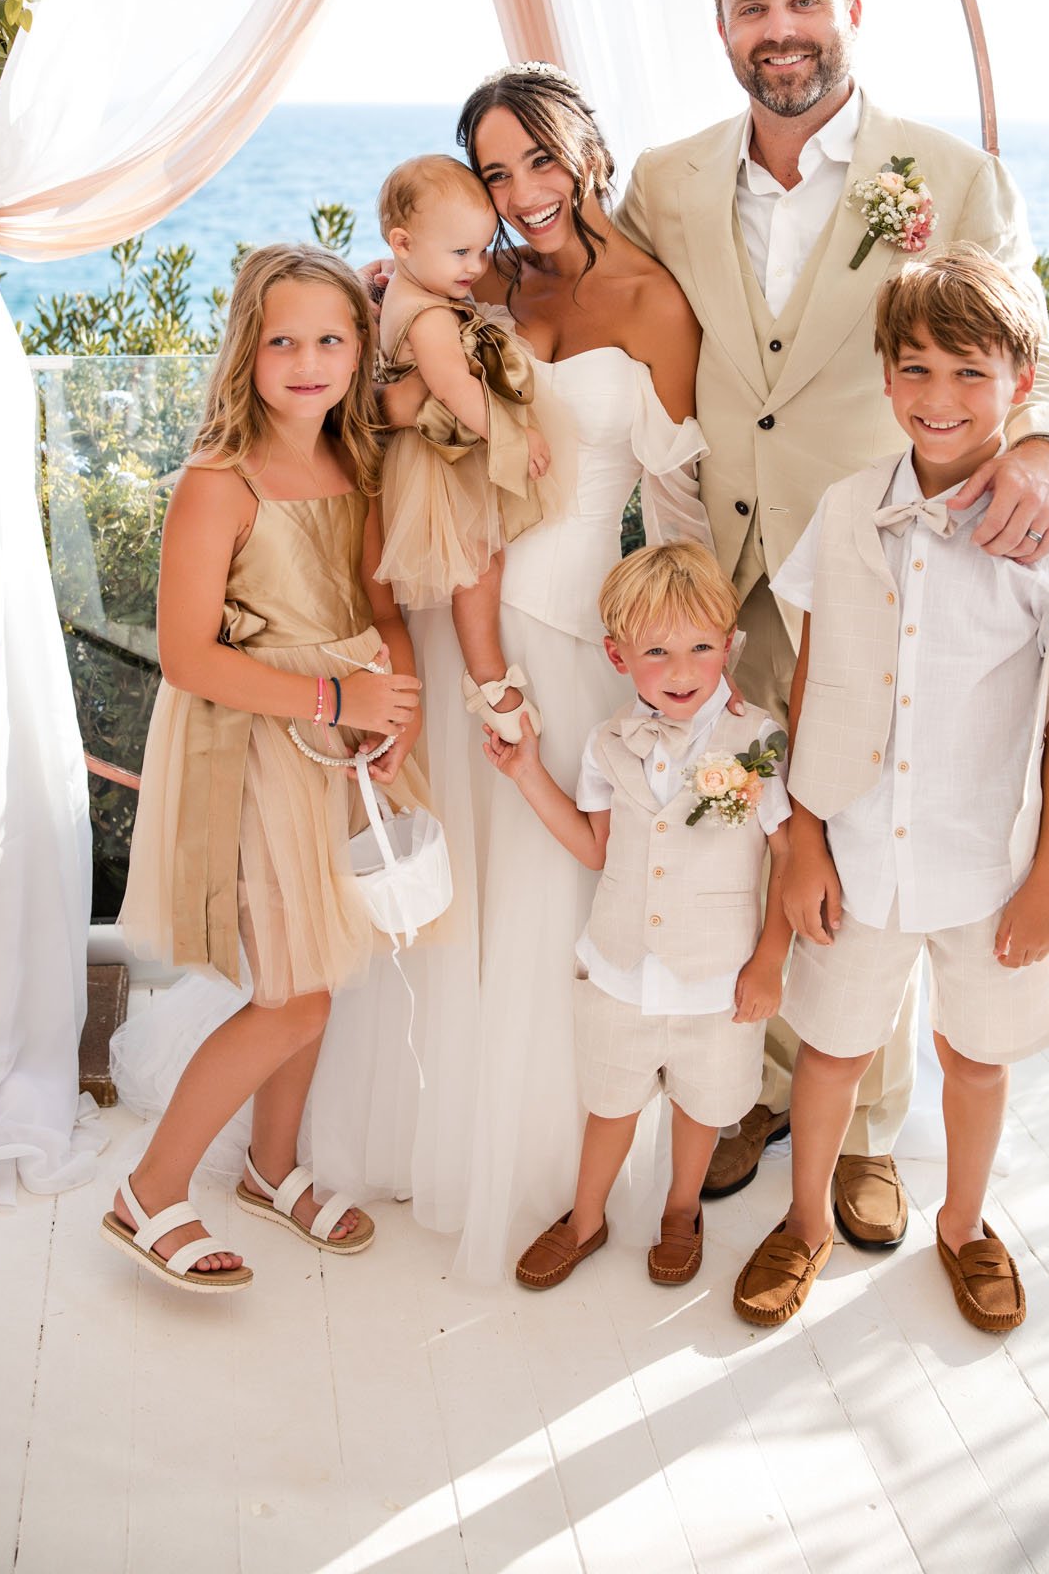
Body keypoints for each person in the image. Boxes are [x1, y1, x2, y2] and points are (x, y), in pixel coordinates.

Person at [615, 0, 1049, 1238]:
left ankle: (871, 1127)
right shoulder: (664, 181)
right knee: (754, 828)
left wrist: (1046, 453)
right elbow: (581, 286)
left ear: (851, 9)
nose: (780, 28)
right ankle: (751, 1088)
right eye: (751, 7)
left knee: (872, 835)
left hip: (887, 563)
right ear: (720, 30)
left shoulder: (948, 173)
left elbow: (1027, 343)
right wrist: (419, 296)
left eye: (802, 0)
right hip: (726, 568)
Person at [376, 63, 713, 1277]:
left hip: (573, 639)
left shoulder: (652, 301)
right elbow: (423, 423)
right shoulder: (477, 284)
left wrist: (681, 654)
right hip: (460, 616)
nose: (521, 193)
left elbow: (674, 501)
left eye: (538, 161)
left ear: (583, 151)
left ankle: (559, 1168)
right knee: (463, 893)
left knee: (556, 901)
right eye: (496, 170)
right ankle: (439, 1128)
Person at [732, 248, 1049, 1333]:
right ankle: (802, 1222)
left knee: (972, 1056)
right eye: (917, 370)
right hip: (852, 850)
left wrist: (1048, 882)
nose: (939, 400)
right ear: (887, 378)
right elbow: (810, 671)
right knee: (833, 1046)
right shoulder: (849, 507)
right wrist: (799, 839)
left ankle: (965, 1222)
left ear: (1020, 381)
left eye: (969, 374)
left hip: (987, 861)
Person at [102, 246, 435, 1291]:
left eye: (331, 338)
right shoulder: (219, 481)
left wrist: (401, 703)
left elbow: (380, 607)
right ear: (248, 347)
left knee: (319, 977)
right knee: (292, 995)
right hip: (250, 750)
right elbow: (188, 654)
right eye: (282, 338)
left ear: (359, 349)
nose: (307, 359)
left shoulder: (360, 463)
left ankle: (271, 1166)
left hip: (342, 744)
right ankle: (149, 1188)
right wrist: (337, 699)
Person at [484, 542, 791, 1292]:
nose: (681, 670)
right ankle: (584, 1218)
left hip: (716, 981)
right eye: (656, 651)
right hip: (619, 968)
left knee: (700, 1107)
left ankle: (680, 1210)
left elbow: (791, 857)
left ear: (729, 646)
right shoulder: (607, 743)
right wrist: (526, 772)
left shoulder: (755, 743)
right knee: (610, 1104)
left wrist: (769, 961)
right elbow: (594, 847)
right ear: (619, 658)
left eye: (699, 648)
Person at [375, 154, 552, 738]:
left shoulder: (406, 282)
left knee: (478, 563)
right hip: (438, 461)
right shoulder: (427, 315)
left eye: (482, 249)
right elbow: (452, 388)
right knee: (476, 566)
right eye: (460, 253)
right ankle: (488, 676)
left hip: (437, 450)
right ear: (402, 243)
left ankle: (481, 671)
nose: (477, 266)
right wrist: (513, 435)